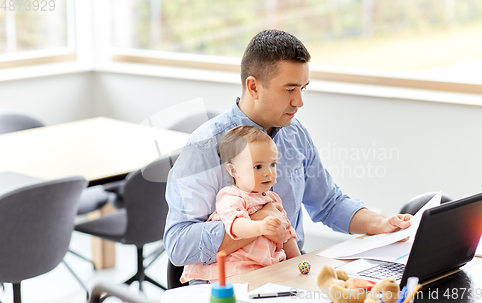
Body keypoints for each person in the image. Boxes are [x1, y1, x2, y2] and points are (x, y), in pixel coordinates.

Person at [164, 29, 411, 269]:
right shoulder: (204, 147)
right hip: (229, 284)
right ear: (253, 87)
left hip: (288, 271)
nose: (299, 102)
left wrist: (381, 224)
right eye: (290, 89)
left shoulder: (295, 133)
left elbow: (328, 203)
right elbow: (178, 245)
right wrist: (259, 220)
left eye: (302, 89)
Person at [180, 125, 301, 284]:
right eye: (258, 167)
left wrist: (299, 263)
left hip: (261, 269)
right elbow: (236, 226)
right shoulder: (230, 197)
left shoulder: (273, 199)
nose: (268, 173)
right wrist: (260, 227)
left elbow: (286, 235)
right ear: (233, 171)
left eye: (272, 164)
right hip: (229, 270)